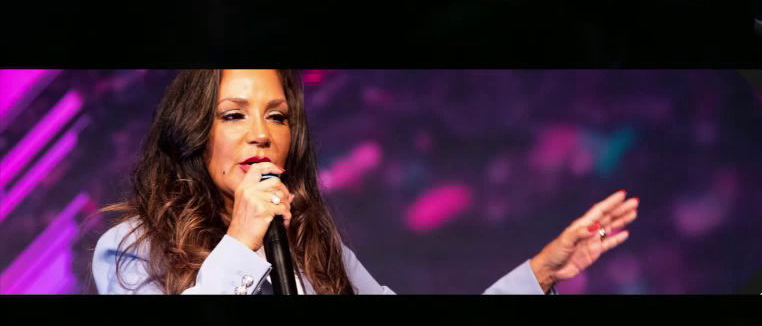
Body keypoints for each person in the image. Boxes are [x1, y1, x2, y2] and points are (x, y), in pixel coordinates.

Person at [93, 69, 639, 294]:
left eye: (278, 117)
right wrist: (240, 242)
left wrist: (541, 272)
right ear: (193, 130)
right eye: (234, 115)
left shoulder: (314, 244)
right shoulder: (131, 249)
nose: (261, 134)